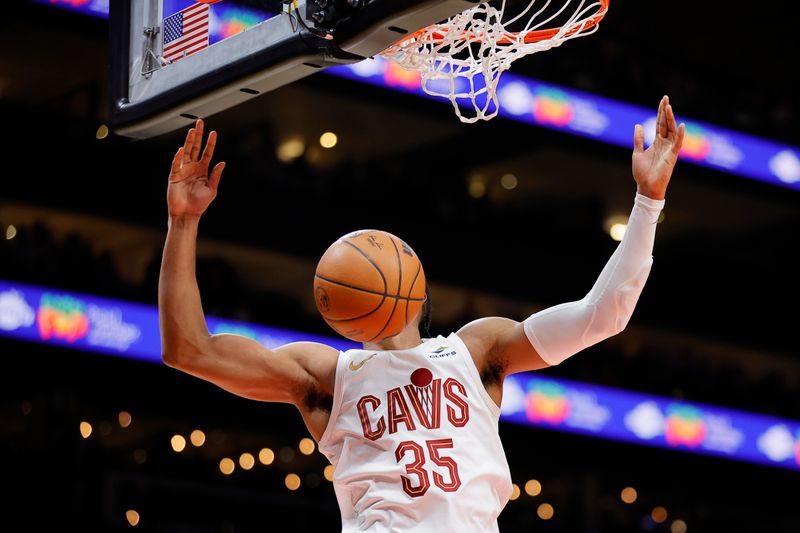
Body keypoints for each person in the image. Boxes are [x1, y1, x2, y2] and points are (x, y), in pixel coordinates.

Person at [159, 96, 685, 532]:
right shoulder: (326, 376)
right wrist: (182, 223)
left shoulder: (477, 351)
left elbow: (603, 315)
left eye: (390, 257)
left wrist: (648, 201)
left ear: (417, 289)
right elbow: (188, 350)